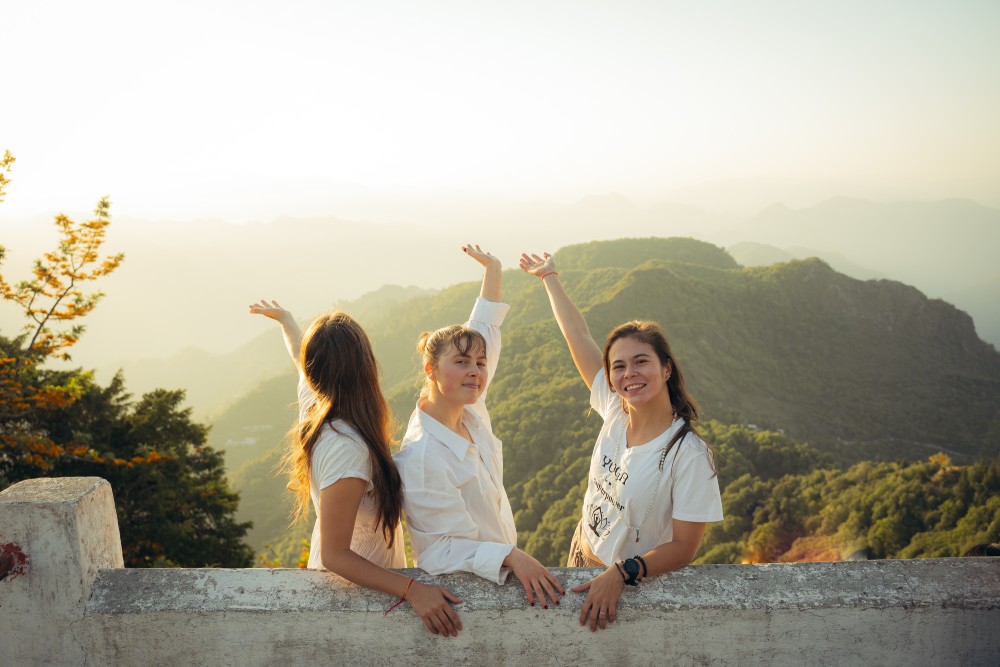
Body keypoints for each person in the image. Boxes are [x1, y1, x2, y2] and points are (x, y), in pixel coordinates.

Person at [519, 251, 723, 632]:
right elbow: (576, 335)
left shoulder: (689, 454)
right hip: (581, 551)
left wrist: (623, 573)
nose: (630, 373)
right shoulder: (614, 412)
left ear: (666, 368)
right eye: (618, 366)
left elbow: (684, 547)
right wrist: (549, 277)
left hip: (630, 580)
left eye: (642, 361)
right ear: (610, 379)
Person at [249, 301, 463, 637]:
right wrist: (413, 590)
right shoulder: (346, 448)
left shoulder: (320, 406)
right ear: (365, 367)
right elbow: (335, 555)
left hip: (371, 593)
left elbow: (300, 365)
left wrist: (287, 322)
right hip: (355, 605)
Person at [395, 245, 565, 609]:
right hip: (467, 597)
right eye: (461, 362)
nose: (475, 370)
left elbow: (483, 327)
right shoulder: (422, 455)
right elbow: (439, 549)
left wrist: (493, 270)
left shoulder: (468, 411)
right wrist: (512, 557)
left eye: (480, 362)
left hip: (502, 577)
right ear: (431, 370)